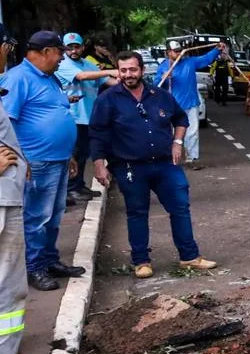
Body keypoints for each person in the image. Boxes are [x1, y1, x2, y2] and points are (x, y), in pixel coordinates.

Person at [90, 51, 217, 279]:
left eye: (133, 69)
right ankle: (141, 261)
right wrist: (99, 164)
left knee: (180, 207)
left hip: (166, 165)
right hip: (130, 167)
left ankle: (189, 256)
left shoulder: (159, 95)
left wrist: (178, 142)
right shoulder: (107, 99)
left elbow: (180, 118)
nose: (128, 74)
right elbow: (98, 133)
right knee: (137, 212)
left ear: (141, 70)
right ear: (119, 71)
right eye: (124, 70)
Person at [0, 32, 85, 291]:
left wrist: (69, 154)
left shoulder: (50, 79)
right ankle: (34, 267)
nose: (62, 58)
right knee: (36, 217)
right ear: (46, 51)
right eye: (59, 52)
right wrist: (21, 160)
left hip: (57, 159)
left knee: (54, 215)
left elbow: (58, 113)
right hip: (36, 161)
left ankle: (49, 260)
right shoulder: (18, 79)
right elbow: (7, 124)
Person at [0, 28, 49, 354]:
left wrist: (22, 161)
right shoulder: (15, 79)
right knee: (6, 287)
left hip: (8, 194)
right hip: (1, 200)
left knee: (9, 288)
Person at [56, 32, 117, 204]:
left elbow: (107, 81)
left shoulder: (88, 64)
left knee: (83, 154)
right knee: (73, 154)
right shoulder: (63, 64)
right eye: (69, 48)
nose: (73, 51)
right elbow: (82, 76)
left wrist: (128, 80)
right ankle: (69, 189)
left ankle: (78, 185)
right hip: (71, 117)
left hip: (88, 117)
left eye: (76, 47)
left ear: (82, 47)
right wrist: (113, 70)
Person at [155, 40, 226, 170]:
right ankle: (171, 159)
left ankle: (191, 159)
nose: (178, 53)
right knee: (170, 133)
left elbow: (206, 59)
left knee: (192, 132)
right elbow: (156, 86)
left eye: (179, 50)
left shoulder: (190, 62)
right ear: (168, 52)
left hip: (191, 103)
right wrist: (164, 78)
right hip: (171, 106)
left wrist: (217, 50)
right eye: (175, 51)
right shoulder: (163, 67)